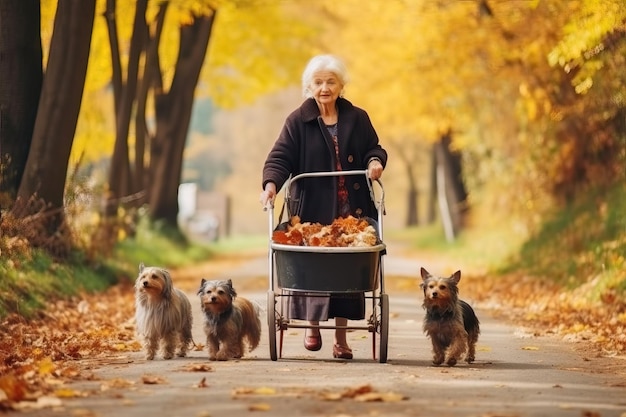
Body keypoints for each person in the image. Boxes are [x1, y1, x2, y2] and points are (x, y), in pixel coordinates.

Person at [259, 54, 387, 359]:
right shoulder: (296, 121)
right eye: (318, 82)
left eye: (330, 81)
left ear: (341, 85)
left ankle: (340, 340)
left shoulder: (357, 117)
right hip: (313, 210)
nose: (324, 87)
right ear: (309, 86)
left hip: (351, 209)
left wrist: (374, 162)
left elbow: (374, 147)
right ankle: (312, 326)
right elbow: (280, 158)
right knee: (313, 269)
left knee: (346, 274)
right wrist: (271, 185)